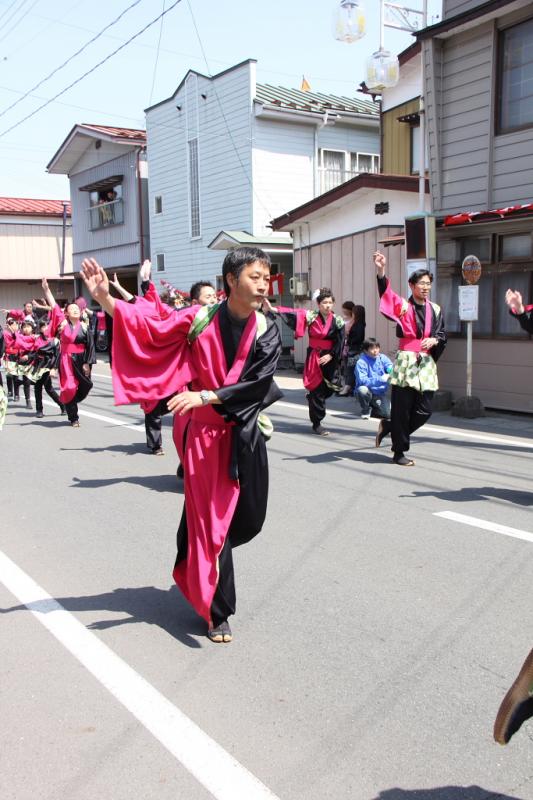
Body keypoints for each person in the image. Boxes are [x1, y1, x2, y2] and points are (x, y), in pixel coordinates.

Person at [81, 246, 282, 644]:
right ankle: (217, 612)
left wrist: (205, 395)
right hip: (204, 437)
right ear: (231, 280)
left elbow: (259, 382)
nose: (262, 286)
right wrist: (105, 297)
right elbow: (151, 328)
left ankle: (194, 553)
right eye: (254, 277)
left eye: (265, 278)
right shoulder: (199, 317)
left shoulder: (267, 327)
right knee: (213, 524)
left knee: (249, 519)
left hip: (243, 432)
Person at [373, 251, 447, 466]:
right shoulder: (403, 306)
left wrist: (434, 341)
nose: (425, 287)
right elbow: (386, 294)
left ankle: (388, 427)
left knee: (424, 411)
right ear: (412, 285)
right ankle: (399, 451)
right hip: (406, 360)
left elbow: (442, 334)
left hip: (425, 362)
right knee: (402, 409)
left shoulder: (436, 309)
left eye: (428, 283)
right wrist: (381, 271)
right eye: (421, 283)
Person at [267, 288, 345, 436]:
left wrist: (332, 355)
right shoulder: (310, 316)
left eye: (330, 302)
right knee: (317, 390)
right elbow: (292, 313)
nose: (327, 305)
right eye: (324, 302)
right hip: (314, 357)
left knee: (332, 387)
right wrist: (274, 309)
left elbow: (340, 342)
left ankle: (313, 399)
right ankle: (317, 423)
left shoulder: (338, 320)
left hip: (330, 358)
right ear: (318, 304)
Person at [41, 278, 95, 427]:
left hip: (81, 359)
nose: (75, 309)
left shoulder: (84, 327)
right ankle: (74, 417)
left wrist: (87, 363)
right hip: (66, 360)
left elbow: (90, 346)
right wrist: (47, 290)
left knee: (87, 385)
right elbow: (54, 306)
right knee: (69, 387)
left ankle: (69, 400)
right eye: (72, 308)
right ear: (66, 313)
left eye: (77, 308)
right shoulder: (63, 323)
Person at [30, 320, 63, 418]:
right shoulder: (37, 338)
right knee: (40, 387)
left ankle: (61, 405)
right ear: (40, 329)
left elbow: (57, 355)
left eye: (47, 326)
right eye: (43, 327)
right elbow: (34, 350)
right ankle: (40, 409)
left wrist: (54, 368)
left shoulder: (54, 340)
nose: (46, 328)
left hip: (48, 364)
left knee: (47, 388)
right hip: (38, 365)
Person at [355, 338, 392, 420]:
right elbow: (362, 381)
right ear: (365, 350)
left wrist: (390, 369)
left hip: (380, 392)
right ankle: (365, 409)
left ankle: (375, 407)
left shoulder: (382, 357)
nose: (375, 351)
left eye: (377, 348)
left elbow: (389, 365)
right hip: (368, 391)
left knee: (387, 414)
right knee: (362, 390)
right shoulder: (361, 362)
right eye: (372, 348)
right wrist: (380, 379)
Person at [339, 302, 366, 396]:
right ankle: (350, 388)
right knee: (348, 368)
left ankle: (347, 388)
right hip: (351, 349)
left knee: (350, 369)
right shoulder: (357, 324)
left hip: (354, 350)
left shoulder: (359, 325)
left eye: (354, 312)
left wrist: (349, 338)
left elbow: (358, 338)